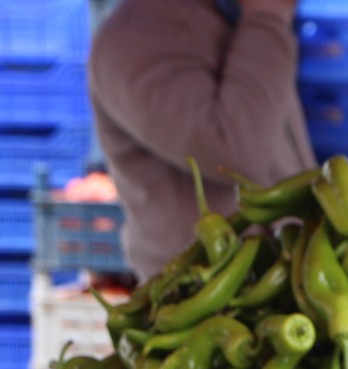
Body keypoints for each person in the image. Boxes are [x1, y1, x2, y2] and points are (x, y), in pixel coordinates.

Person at [88, 0, 317, 280]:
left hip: (280, 283)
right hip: (202, 294)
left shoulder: (224, 21)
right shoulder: (133, 41)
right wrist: (267, 17)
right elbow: (234, 152)